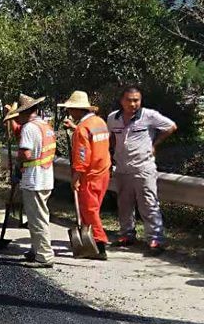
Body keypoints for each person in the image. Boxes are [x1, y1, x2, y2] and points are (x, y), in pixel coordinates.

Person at [107, 85, 177, 254]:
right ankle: (127, 235)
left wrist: (154, 144)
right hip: (122, 169)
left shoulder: (149, 116)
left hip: (143, 168)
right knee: (124, 205)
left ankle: (155, 240)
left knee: (148, 204)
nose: (133, 104)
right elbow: (111, 138)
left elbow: (171, 126)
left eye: (136, 100)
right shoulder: (112, 118)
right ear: (122, 101)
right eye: (129, 100)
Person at [5, 94, 56, 268]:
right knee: (39, 216)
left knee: (37, 219)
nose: (17, 116)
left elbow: (26, 153)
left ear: (25, 112)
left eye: (19, 114)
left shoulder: (28, 128)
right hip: (46, 176)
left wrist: (18, 165)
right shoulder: (45, 126)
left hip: (34, 179)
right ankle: (36, 250)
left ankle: (44, 256)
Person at [60, 91, 111, 260]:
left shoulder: (82, 129)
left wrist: (75, 179)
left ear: (78, 110)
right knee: (93, 209)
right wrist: (75, 130)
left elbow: (83, 156)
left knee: (89, 211)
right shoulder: (99, 122)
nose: (69, 112)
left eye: (71, 109)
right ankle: (96, 242)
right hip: (103, 171)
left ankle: (99, 245)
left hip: (89, 175)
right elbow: (94, 140)